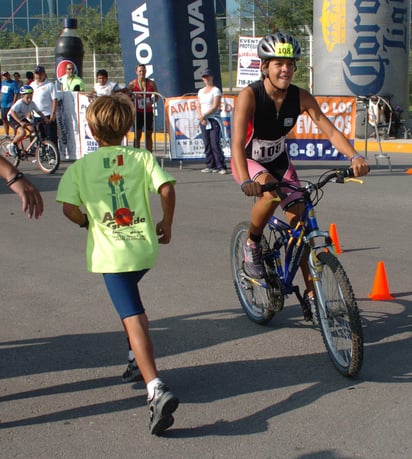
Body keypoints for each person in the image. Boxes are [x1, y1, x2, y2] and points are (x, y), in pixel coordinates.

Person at [56, 94, 179, 435]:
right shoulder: (141, 157)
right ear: (127, 128)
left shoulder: (81, 167)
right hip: (143, 249)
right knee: (131, 302)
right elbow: (167, 188)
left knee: (132, 312)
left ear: (93, 132)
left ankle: (155, 386)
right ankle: (132, 360)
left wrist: (87, 223)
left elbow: (68, 209)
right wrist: (166, 223)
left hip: (111, 254)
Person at [231, 32, 369, 318]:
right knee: (269, 195)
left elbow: (330, 130)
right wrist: (246, 179)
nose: (286, 69)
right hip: (249, 161)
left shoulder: (300, 97)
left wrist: (354, 156)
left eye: (290, 63)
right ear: (264, 66)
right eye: (279, 63)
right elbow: (235, 144)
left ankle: (312, 294)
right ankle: (252, 244)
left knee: (301, 224)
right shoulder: (250, 95)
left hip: (279, 160)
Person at [196, 68, 227, 174]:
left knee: (215, 143)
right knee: (207, 143)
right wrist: (201, 116)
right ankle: (210, 165)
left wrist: (204, 115)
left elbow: (215, 106)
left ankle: (221, 166)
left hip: (213, 120)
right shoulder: (200, 91)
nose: (206, 78)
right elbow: (198, 105)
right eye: (204, 77)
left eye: (208, 76)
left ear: (212, 77)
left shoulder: (216, 90)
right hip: (203, 120)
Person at [7, 85, 49, 157]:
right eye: (27, 98)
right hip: (12, 118)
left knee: (33, 130)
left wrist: (45, 118)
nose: (29, 99)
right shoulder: (19, 103)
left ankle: (31, 148)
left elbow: (38, 111)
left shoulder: (32, 103)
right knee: (22, 132)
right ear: (22, 97)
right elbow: (12, 112)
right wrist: (20, 122)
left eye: (31, 97)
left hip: (21, 118)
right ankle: (11, 145)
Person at [128, 64, 158, 151]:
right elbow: (128, 97)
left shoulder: (151, 83)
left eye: (143, 71)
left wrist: (152, 102)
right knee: (137, 134)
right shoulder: (133, 84)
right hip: (137, 112)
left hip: (148, 111)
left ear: (146, 72)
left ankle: (149, 155)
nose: (142, 73)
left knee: (148, 134)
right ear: (136, 72)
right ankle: (136, 155)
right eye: (140, 71)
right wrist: (134, 97)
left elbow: (157, 96)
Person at [30, 66, 58, 148]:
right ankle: (42, 154)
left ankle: (53, 156)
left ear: (44, 74)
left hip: (47, 115)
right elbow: (30, 98)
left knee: (51, 136)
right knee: (40, 137)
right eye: (36, 74)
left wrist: (53, 113)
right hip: (36, 115)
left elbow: (54, 100)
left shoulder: (50, 85)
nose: (38, 75)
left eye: (40, 73)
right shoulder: (32, 85)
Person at [1, 71, 19, 138]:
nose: (5, 76)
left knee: (12, 120)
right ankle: (6, 134)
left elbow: (16, 94)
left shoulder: (14, 83)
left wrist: (13, 103)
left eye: (6, 75)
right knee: (4, 119)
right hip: (3, 105)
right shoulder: (2, 83)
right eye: (4, 75)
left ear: (9, 75)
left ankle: (15, 134)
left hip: (10, 105)